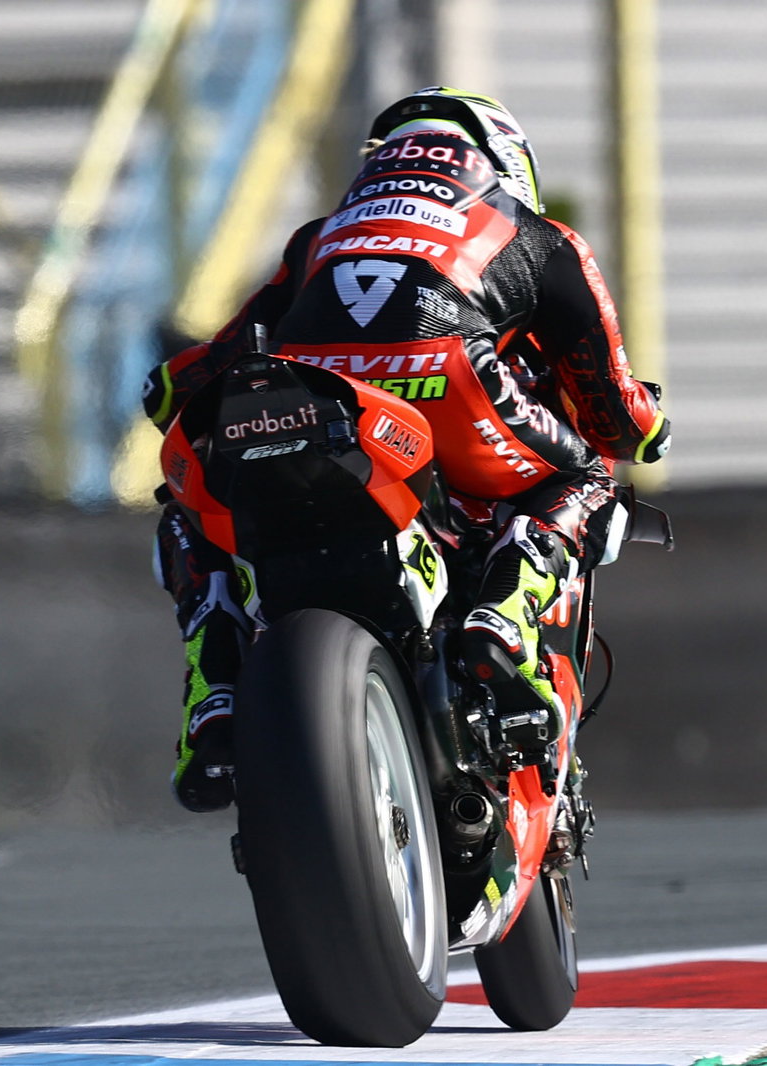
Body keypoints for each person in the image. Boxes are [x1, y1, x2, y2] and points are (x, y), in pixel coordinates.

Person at [143, 87, 671, 812]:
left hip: (319, 399)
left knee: (186, 509)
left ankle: (214, 687)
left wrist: (166, 388)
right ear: (510, 162)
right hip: (453, 387)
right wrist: (652, 424)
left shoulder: (319, 237)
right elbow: (617, 418)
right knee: (582, 475)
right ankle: (505, 619)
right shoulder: (537, 233)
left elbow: (202, 371)